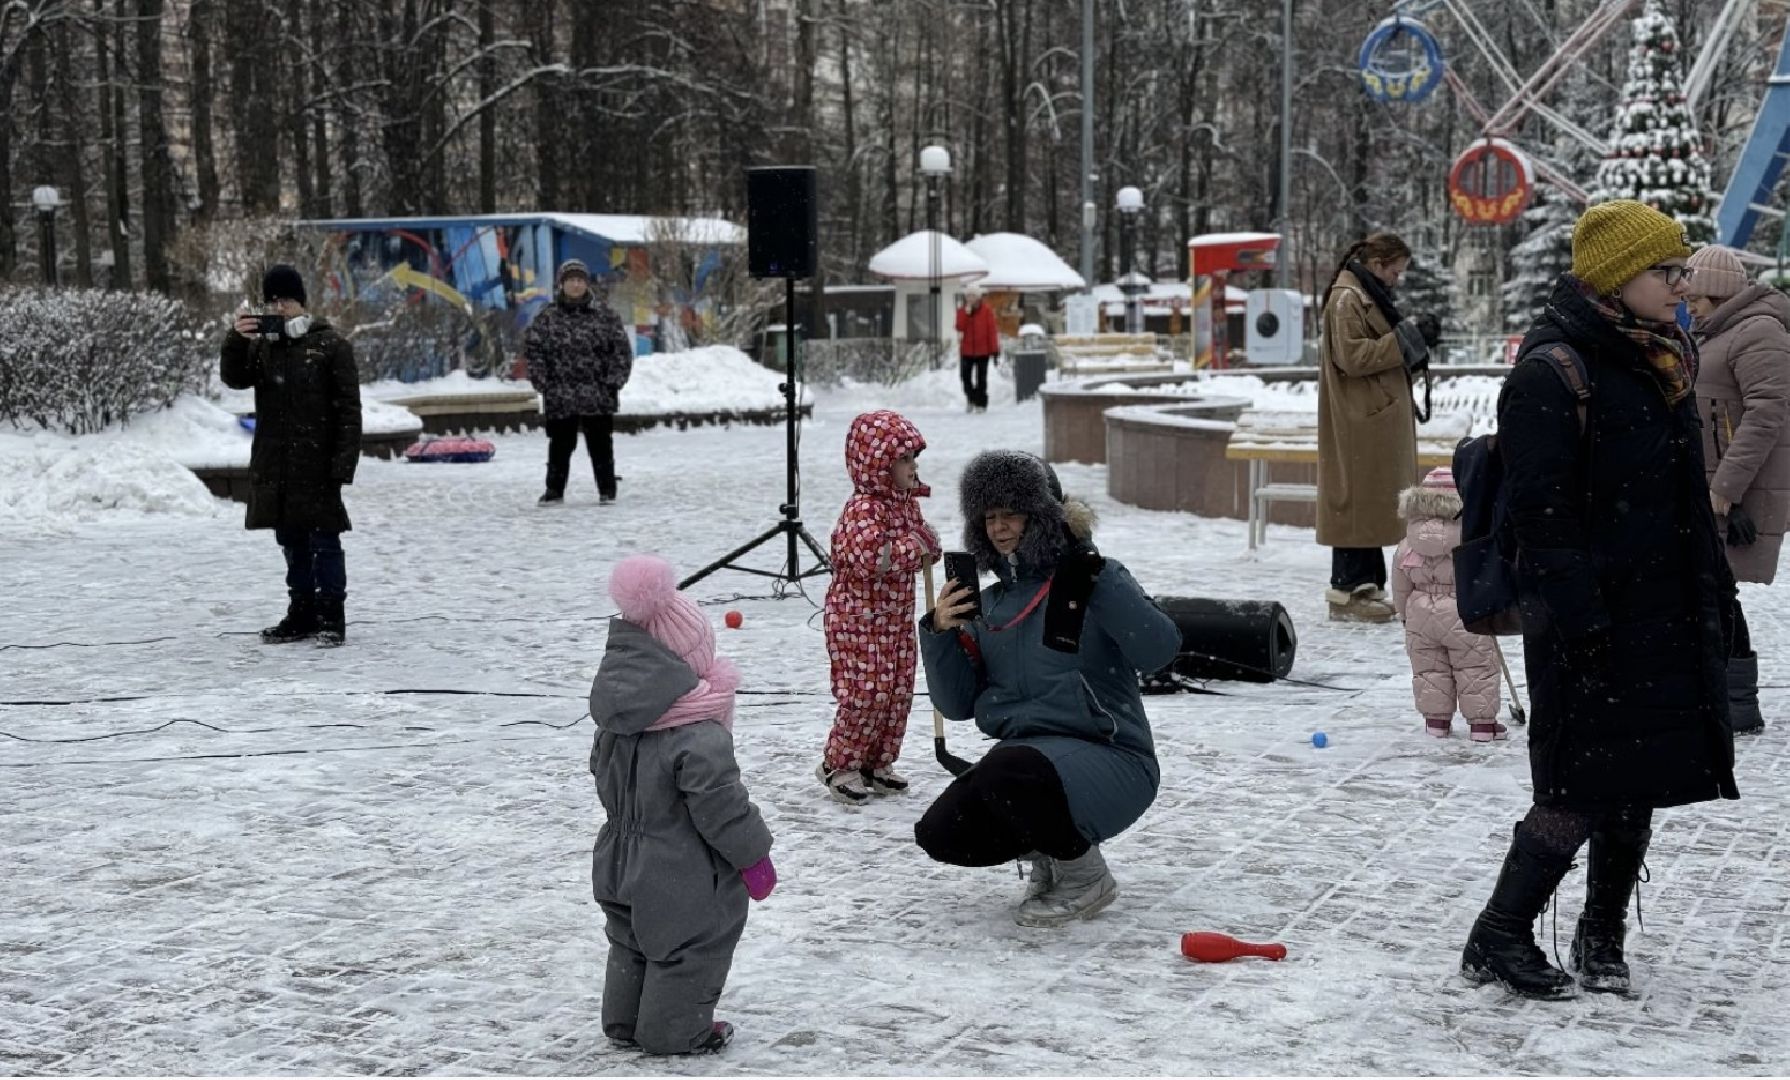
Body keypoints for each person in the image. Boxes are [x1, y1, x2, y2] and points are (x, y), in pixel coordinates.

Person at [1460, 200, 1738, 1001]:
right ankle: (1499, 934)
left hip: (1663, 606)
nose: (1682, 284)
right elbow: (1541, 517)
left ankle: (1601, 935)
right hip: (1591, 616)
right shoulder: (1554, 371)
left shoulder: (1660, 355)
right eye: (1667, 271)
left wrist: (1711, 591)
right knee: (1578, 785)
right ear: (1619, 278)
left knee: (1639, 773)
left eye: (1682, 270)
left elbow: (1682, 492)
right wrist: (1582, 618)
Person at [914, 450, 1180, 927]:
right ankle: (1050, 854)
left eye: (1011, 513)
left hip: (1113, 757)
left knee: (1009, 769)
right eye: (989, 516)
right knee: (941, 832)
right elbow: (954, 706)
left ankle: (1085, 875)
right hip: (1029, 764)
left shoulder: (1091, 579)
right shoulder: (989, 605)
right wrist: (939, 633)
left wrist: (1095, 577)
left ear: (1042, 517)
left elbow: (1160, 651)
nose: (999, 528)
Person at [589, 554, 775, 1056]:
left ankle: (624, 1020)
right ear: (685, 663)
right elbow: (722, 808)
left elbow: (602, 775)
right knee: (691, 945)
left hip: (617, 858)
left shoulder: (617, 722)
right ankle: (675, 1032)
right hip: (680, 870)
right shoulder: (696, 736)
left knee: (630, 937)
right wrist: (754, 857)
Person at [220, 264, 361, 648]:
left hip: (317, 463)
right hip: (279, 462)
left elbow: (349, 411)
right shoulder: (267, 347)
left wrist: (342, 465)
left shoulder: (331, 346)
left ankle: (331, 616)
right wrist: (236, 338)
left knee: (324, 541)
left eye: (285, 299)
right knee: (291, 540)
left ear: (301, 301)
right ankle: (301, 612)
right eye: (273, 300)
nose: (279, 307)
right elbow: (234, 377)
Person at [1684, 243, 1790, 735]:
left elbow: (1768, 412)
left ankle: (1736, 704)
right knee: (1712, 590)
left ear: (1720, 292)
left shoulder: (1759, 331)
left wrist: (1727, 488)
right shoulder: (1716, 331)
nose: (1690, 307)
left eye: (1697, 298)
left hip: (1731, 491)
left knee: (1716, 592)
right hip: (1708, 486)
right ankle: (1727, 701)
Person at [1315, 233, 1441, 623]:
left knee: (1366, 505)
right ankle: (1347, 590)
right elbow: (1352, 357)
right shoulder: (1348, 298)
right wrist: (1405, 340)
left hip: (1369, 418)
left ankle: (1366, 585)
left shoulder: (1363, 295)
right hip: (1360, 420)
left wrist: (1410, 341)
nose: (1397, 280)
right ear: (1377, 264)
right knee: (1356, 504)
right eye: (1395, 271)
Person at [817, 411, 941, 804]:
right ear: (878, 465)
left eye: (912, 457)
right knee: (865, 694)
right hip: (859, 622)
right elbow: (871, 558)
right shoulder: (863, 510)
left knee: (897, 690)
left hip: (895, 620)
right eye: (904, 459)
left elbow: (923, 548)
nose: (913, 466)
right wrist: (915, 546)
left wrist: (928, 545)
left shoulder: (905, 507)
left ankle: (878, 760)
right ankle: (842, 763)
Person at [1390, 466, 1503, 741]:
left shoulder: (1408, 544)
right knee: (1476, 668)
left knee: (1430, 670)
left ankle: (1436, 722)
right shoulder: (1471, 541)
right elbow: (1486, 577)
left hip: (1420, 616)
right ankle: (1482, 726)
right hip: (1465, 612)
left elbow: (1400, 584)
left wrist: (1404, 614)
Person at [525, 259, 633, 505]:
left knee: (601, 445)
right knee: (560, 446)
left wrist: (614, 381)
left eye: (580, 280)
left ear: (586, 284)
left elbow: (621, 351)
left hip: (597, 393)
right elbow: (534, 351)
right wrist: (543, 382)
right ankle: (554, 491)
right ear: (562, 284)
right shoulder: (547, 318)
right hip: (560, 394)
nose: (575, 285)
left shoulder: (605, 316)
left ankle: (607, 490)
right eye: (571, 280)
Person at [955, 284, 1000, 413]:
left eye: (973, 295)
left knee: (981, 379)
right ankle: (971, 399)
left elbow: (992, 331)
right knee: (965, 378)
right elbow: (959, 327)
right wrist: (966, 314)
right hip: (967, 350)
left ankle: (981, 403)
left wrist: (994, 350)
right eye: (968, 295)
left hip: (983, 351)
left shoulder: (986, 311)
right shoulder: (962, 310)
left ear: (978, 297)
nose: (970, 298)